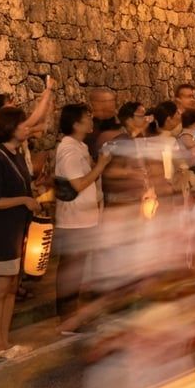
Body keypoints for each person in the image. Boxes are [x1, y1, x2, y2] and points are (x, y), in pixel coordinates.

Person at [0, 107, 41, 361]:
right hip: (0, 233)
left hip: (16, 231)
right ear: (9, 129)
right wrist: (23, 199)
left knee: (12, 288)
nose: (27, 127)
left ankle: (5, 341)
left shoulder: (14, 155)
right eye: (22, 124)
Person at [53, 105, 113, 330]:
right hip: (74, 218)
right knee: (71, 269)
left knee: (78, 270)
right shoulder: (68, 149)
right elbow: (78, 183)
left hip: (86, 216)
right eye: (87, 118)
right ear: (76, 124)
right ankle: (67, 320)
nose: (92, 120)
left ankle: (74, 315)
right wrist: (101, 165)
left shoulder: (80, 146)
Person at [86, 87, 121, 158]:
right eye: (102, 102)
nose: (107, 104)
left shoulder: (119, 126)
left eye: (111, 101)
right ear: (92, 103)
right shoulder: (88, 127)